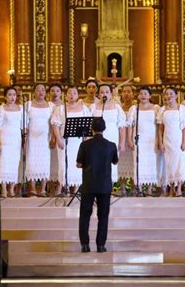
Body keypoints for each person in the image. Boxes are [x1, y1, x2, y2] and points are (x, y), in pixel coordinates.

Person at [76, 117, 118, 253]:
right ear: (104, 129)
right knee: (103, 216)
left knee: (85, 215)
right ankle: (100, 245)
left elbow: (79, 164)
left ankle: (85, 245)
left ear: (91, 129)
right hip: (104, 185)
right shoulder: (111, 145)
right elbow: (115, 162)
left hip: (88, 184)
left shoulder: (85, 145)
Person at [51, 86, 92, 195]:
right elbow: (55, 124)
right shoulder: (60, 108)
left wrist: (87, 141)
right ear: (66, 95)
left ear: (78, 96)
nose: (71, 95)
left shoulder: (84, 109)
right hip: (64, 141)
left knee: (78, 163)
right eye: (69, 93)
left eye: (74, 93)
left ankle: (77, 188)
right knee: (63, 163)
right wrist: (58, 139)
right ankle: (63, 187)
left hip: (79, 142)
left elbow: (89, 125)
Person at [89, 84, 126, 183]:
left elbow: (122, 126)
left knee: (110, 162)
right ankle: (97, 187)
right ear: (98, 94)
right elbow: (89, 125)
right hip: (96, 140)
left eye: (107, 92)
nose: (104, 94)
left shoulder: (117, 107)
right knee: (96, 162)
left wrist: (122, 142)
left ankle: (109, 187)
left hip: (112, 138)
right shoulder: (93, 107)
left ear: (111, 94)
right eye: (102, 92)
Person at [127, 86, 160, 196]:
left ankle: (150, 189)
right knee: (139, 163)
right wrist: (129, 139)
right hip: (138, 140)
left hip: (151, 140)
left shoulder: (156, 108)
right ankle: (139, 188)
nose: (143, 96)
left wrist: (159, 141)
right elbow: (130, 125)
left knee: (151, 163)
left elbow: (159, 125)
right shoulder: (134, 108)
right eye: (141, 93)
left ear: (150, 96)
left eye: (145, 94)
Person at [157, 87, 185, 197]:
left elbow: (184, 127)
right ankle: (171, 188)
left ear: (176, 95)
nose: (169, 96)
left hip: (178, 139)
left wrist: (184, 142)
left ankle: (179, 187)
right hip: (167, 140)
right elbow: (160, 128)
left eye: (171, 94)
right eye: (167, 94)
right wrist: (160, 143)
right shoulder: (162, 110)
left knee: (179, 163)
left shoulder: (181, 108)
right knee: (169, 164)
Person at [25, 84, 55, 196]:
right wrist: (25, 139)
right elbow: (25, 124)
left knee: (45, 162)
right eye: (38, 90)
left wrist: (53, 137)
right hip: (31, 138)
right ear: (34, 92)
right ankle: (32, 188)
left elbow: (53, 123)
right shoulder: (28, 105)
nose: (41, 92)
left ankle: (43, 189)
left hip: (45, 138)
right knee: (31, 161)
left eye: (43, 89)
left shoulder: (50, 106)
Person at [0, 87, 23, 197]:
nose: (12, 97)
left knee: (15, 163)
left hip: (16, 139)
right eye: (10, 94)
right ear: (5, 96)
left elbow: (23, 126)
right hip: (4, 139)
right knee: (4, 164)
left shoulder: (20, 109)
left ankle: (12, 189)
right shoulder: (0, 109)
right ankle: (4, 189)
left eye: (14, 95)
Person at [118, 85, 135, 194]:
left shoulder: (136, 107)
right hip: (121, 139)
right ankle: (122, 188)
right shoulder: (118, 108)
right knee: (121, 163)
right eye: (124, 91)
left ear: (133, 94)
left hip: (132, 138)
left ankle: (133, 188)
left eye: (129, 91)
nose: (126, 94)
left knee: (133, 163)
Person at [48, 84, 63, 193]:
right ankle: (50, 187)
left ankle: (61, 185)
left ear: (61, 93)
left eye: (57, 91)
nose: (55, 93)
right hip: (47, 135)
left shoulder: (64, 106)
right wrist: (51, 137)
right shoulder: (47, 105)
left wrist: (55, 137)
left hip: (59, 136)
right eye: (52, 91)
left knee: (59, 162)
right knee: (50, 162)